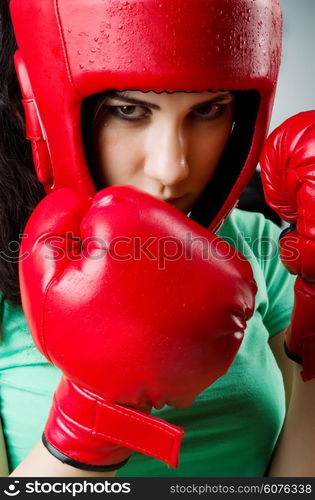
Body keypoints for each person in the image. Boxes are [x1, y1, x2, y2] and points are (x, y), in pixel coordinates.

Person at [0, 0, 314, 478]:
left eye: (208, 109)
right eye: (128, 110)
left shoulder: (266, 249)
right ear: (39, 105)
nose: (173, 168)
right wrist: (90, 424)